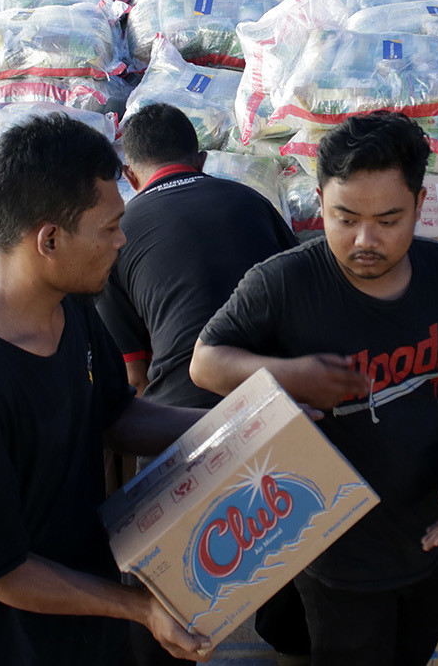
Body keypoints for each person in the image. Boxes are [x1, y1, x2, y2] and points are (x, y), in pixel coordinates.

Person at [192, 112, 438, 666]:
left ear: (419, 202)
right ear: (319, 199)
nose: (365, 239)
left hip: (429, 537)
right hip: (332, 552)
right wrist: (288, 377)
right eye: (344, 217)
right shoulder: (284, 282)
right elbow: (205, 363)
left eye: (388, 219)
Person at [0, 114, 209, 666]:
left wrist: (240, 424)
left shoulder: (69, 306)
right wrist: (139, 607)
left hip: (85, 627)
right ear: (48, 239)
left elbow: (113, 416)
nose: (123, 241)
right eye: (110, 227)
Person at [95, 102, 306, 665]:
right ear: (203, 158)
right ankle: (289, 640)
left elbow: (135, 376)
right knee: (288, 547)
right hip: (272, 404)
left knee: (161, 582)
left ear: (131, 176)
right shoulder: (252, 202)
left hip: (175, 422)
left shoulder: (119, 234)